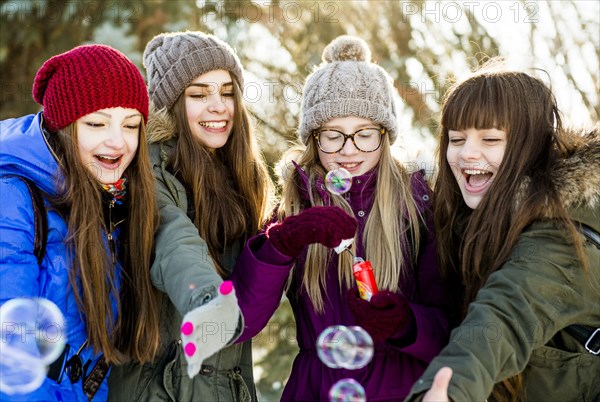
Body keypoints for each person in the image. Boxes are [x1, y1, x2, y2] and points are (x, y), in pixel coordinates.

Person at [230, 35, 450, 401]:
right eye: (333, 135)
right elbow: (242, 322)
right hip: (316, 389)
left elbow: (449, 329)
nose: (349, 149)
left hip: (402, 388)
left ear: (386, 135)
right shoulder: (294, 208)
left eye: (365, 134)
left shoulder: (418, 207)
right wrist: (281, 244)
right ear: (314, 138)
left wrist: (405, 323)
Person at [405, 63, 600, 402]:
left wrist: (448, 392)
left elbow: (503, 318)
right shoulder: (469, 225)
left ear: (530, 148)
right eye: (456, 139)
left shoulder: (564, 238)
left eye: (490, 139)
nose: (467, 153)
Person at [108, 31, 272, 401]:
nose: (219, 106)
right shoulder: (148, 170)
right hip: (159, 387)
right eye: (199, 94)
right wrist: (210, 301)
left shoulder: (242, 176)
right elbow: (172, 239)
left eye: (227, 92)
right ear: (171, 106)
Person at [0, 45, 161, 401]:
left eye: (131, 125)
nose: (118, 141)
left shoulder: (113, 201)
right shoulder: (12, 201)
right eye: (96, 123)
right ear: (63, 127)